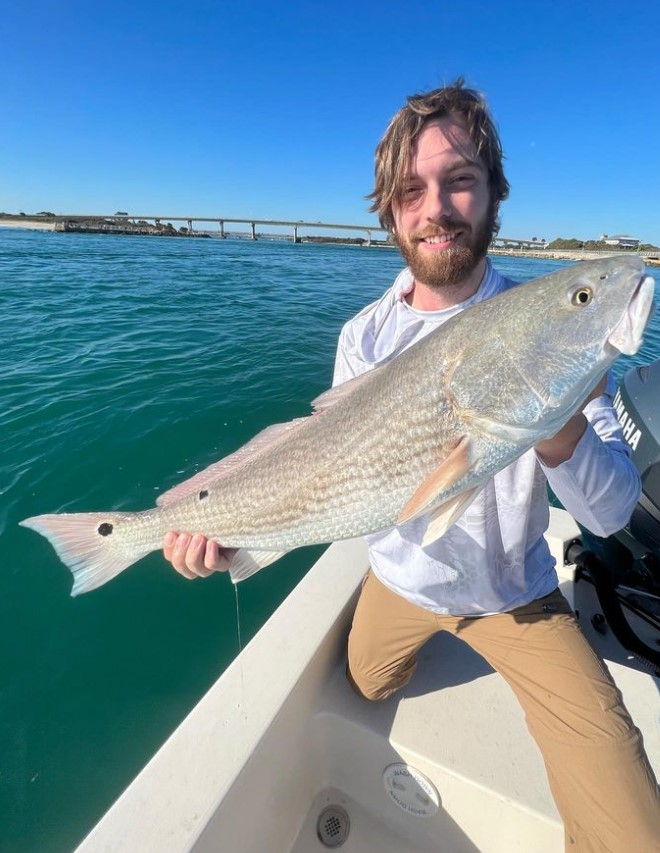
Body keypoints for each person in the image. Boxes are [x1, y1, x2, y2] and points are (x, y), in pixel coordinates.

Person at [162, 80, 660, 850]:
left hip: (515, 595)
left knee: (634, 826)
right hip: (400, 580)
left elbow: (610, 513)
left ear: (493, 194)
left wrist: (559, 431)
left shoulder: (550, 334)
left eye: (460, 179)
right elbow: (317, 467)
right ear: (391, 213)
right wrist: (224, 525)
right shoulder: (363, 336)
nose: (437, 208)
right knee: (364, 683)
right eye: (410, 191)